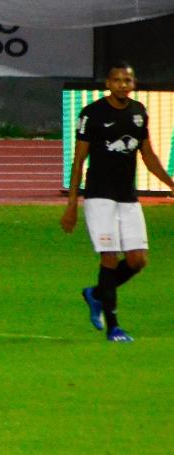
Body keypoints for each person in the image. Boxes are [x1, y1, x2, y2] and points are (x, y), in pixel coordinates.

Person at [60, 61, 174, 342]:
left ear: (133, 84)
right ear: (108, 84)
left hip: (127, 196)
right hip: (100, 196)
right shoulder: (93, 114)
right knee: (109, 258)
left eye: (128, 80)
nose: (123, 84)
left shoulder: (138, 113)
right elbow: (79, 161)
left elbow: (148, 156)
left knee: (137, 260)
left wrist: (171, 184)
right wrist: (72, 203)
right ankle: (114, 327)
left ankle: (96, 294)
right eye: (118, 80)